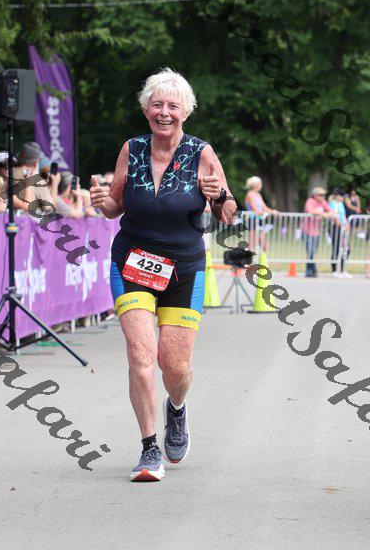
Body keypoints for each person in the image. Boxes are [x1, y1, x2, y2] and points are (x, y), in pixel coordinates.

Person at [90, 67, 236, 482]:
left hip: (184, 270)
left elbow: (228, 213)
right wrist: (101, 200)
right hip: (131, 262)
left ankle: (177, 408)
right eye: (157, 104)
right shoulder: (132, 149)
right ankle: (149, 447)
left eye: (173, 105)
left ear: (185, 112)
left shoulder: (201, 153)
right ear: (146, 110)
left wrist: (218, 197)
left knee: (176, 366)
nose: (164, 112)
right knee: (141, 356)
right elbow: (115, 206)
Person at [12, 142, 59, 213]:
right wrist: (55, 184)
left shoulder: (9, 173)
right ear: (37, 162)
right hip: (28, 219)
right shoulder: (37, 180)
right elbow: (49, 208)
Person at [302, 187, 335, 277]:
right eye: (320, 195)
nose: (323, 196)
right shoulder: (310, 201)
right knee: (310, 251)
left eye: (323, 195)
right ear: (315, 195)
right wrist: (323, 213)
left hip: (316, 232)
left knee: (313, 252)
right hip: (307, 230)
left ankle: (312, 270)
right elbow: (310, 210)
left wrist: (327, 214)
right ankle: (310, 270)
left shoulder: (323, 202)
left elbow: (331, 211)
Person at [244, 176, 276, 252]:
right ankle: (248, 257)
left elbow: (264, 207)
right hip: (252, 219)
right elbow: (255, 210)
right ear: (256, 185)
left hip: (260, 219)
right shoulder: (249, 195)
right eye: (260, 184)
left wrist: (273, 211)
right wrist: (266, 213)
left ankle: (261, 257)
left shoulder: (258, 195)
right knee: (252, 242)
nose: (261, 186)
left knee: (263, 243)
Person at [328, 189, 352, 278]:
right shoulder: (332, 203)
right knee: (336, 249)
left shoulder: (341, 204)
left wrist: (347, 225)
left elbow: (343, 215)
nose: (343, 198)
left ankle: (343, 269)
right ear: (337, 196)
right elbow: (336, 216)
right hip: (336, 228)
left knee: (346, 249)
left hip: (343, 228)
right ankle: (334, 270)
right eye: (342, 196)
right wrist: (341, 225)